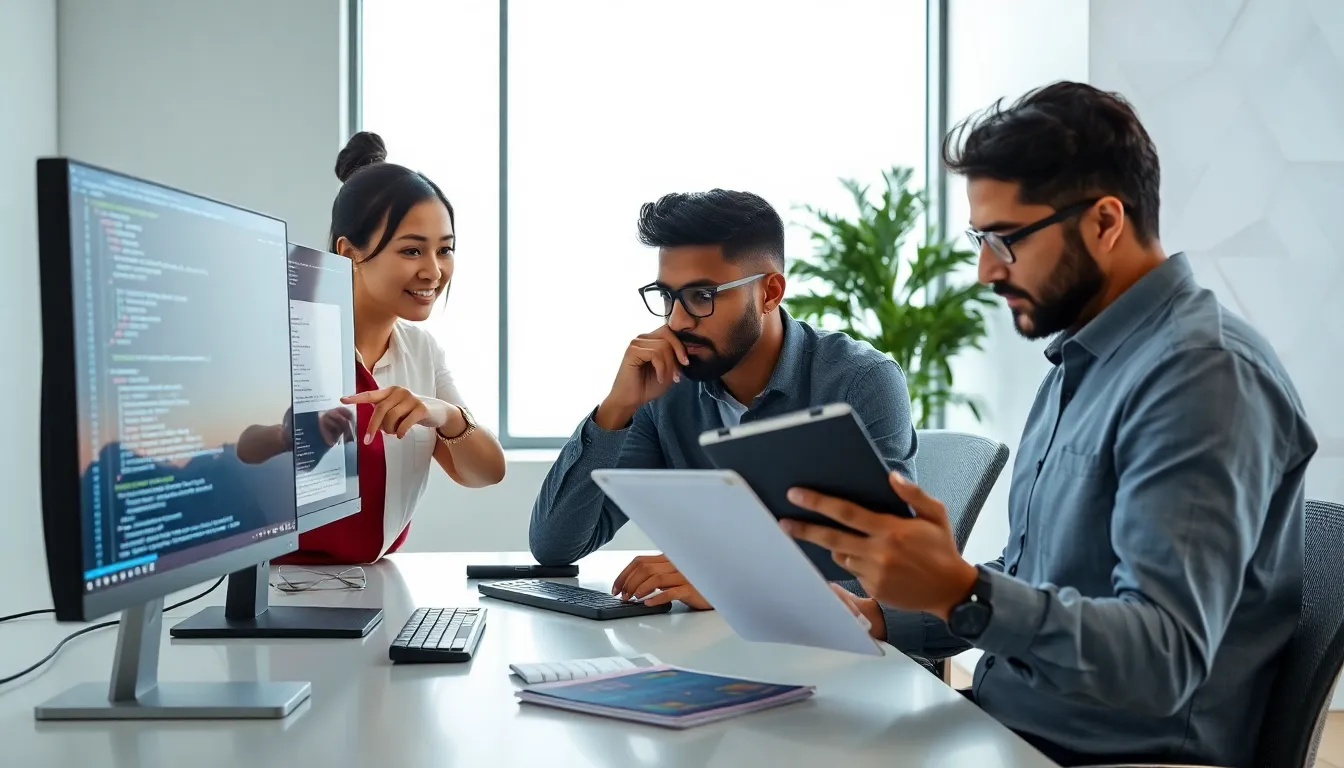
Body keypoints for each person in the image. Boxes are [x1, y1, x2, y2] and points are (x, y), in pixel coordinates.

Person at [781, 81, 1318, 767]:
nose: (983, 270)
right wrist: (888, 612)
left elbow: (1165, 657)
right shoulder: (1081, 359)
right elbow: (1034, 577)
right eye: (980, 239)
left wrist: (962, 592)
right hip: (1011, 730)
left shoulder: (1202, 375)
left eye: (1004, 240)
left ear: (1103, 222)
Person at [528, 189, 919, 617]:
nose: (676, 320)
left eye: (702, 296)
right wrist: (615, 409)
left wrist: (727, 580)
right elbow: (554, 547)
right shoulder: (667, 388)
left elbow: (890, 573)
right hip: (707, 652)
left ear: (770, 292)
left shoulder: (858, 382)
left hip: (832, 661)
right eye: (667, 296)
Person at [277, 132, 506, 565]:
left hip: (376, 581)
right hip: (281, 591)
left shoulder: (421, 351)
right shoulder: (289, 344)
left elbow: (486, 472)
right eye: (412, 250)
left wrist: (441, 413)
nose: (434, 272)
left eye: (445, 250)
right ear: (350, 253)